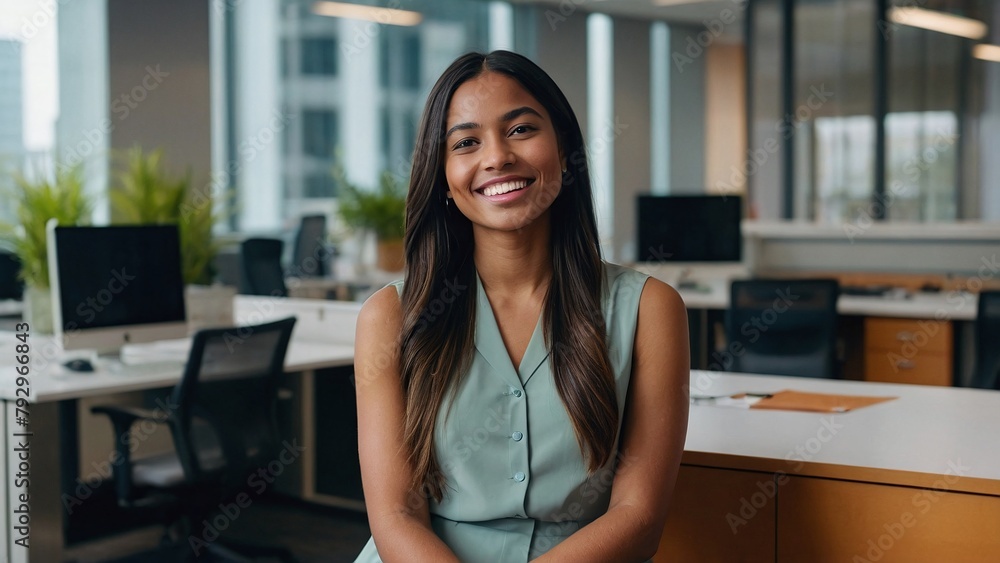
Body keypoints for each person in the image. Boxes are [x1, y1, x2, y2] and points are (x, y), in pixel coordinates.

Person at [353, 50, 689, 563]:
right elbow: (396, 515)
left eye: (520, 130)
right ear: (443, 176)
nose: (497, 157)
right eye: (466, 142)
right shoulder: (389, 317)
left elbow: (638, 516)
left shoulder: (650, 310)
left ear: (564, 147)